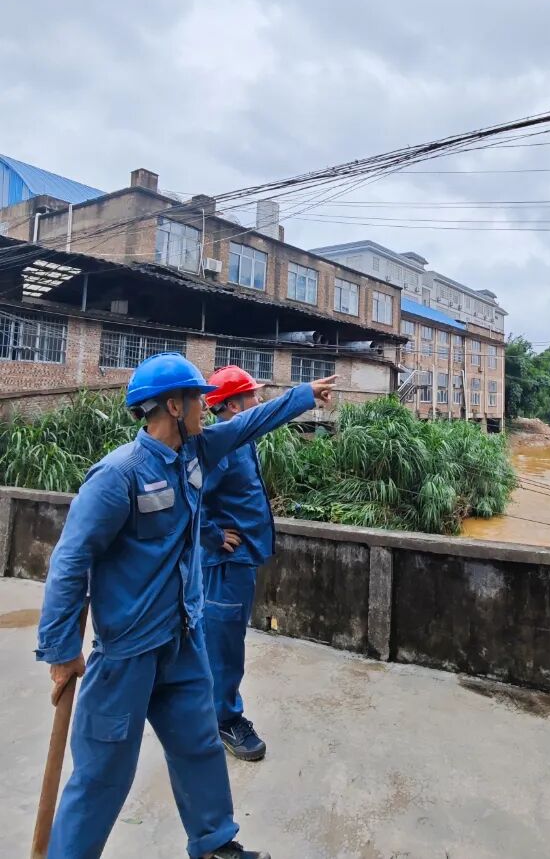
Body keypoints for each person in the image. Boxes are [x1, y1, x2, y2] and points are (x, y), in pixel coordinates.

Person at [35, 353, 335, 859]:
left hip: (182, 638)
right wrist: (62, 650)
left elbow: (250, 424)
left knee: (198, 746)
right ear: (174, 406)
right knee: (104, 774)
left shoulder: (196, 453)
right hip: (128, 649)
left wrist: (303, 397)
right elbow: (69, 562)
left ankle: (215, 844)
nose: (207, 407)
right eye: (199, 399)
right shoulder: (118, 476)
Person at [200, 365, 278, 761]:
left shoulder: (240, 440)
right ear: (232, 404)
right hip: (225, 566)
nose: (258, 400)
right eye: (252, 396)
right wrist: (213, 536)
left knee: (223, 639)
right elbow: (189, 499)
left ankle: (210, 709)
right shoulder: (222, 447)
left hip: (241, 561)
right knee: (224, 645)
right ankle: (226, 720)